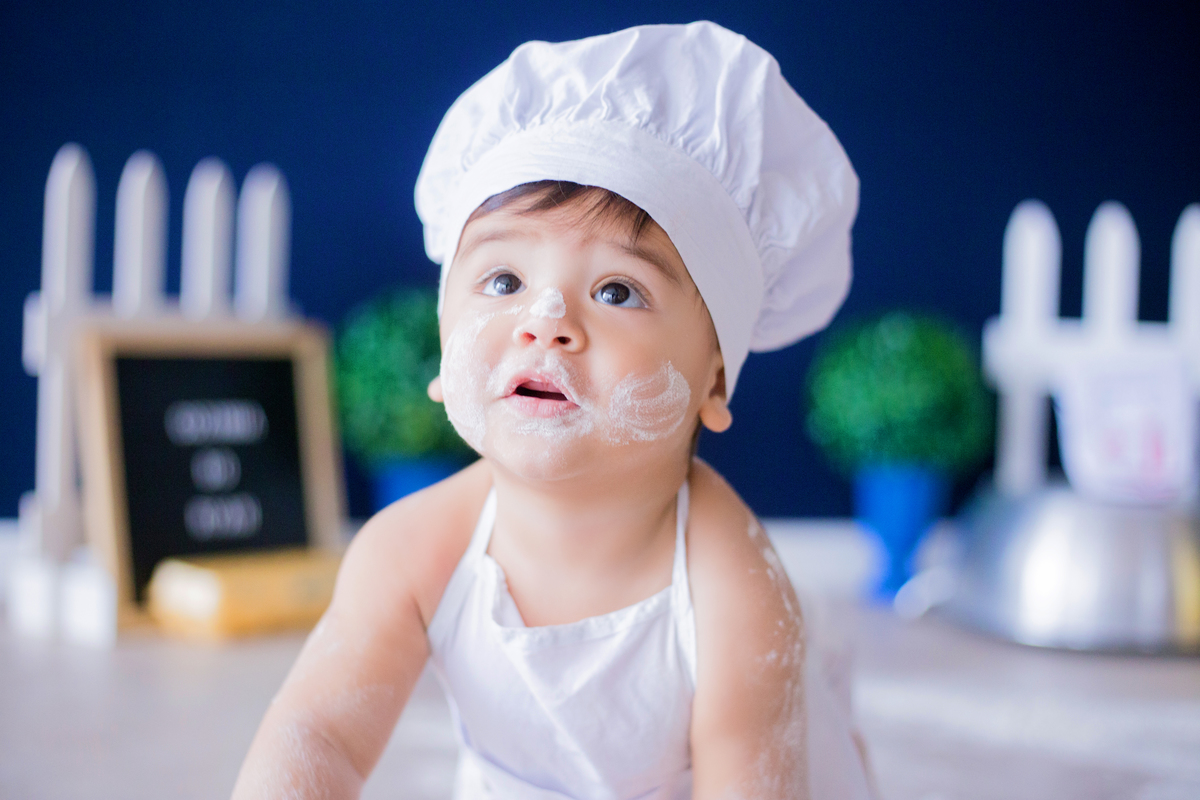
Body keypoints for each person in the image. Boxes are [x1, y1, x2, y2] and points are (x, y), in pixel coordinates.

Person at [232, 21, 869, 800]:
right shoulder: (413, 551)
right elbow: (317, 736)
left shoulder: (733, 588)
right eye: (502, 281)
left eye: (617, 291)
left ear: (713, 381)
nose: (547, 318)